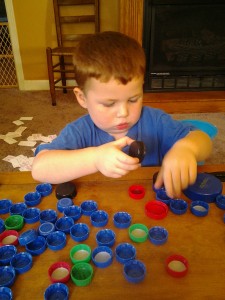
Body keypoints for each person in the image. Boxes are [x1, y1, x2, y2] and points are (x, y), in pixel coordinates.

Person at [32, 31, 212, 198]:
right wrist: (95, 158)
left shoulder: (156, 121)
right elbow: (39, 168)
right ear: (82, 98)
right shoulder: (79, 131)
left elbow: (203, 140)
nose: (123, 113)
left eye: (134, 99)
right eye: (109, 104)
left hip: (150, 205)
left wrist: (187, 149)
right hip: (98, 208)